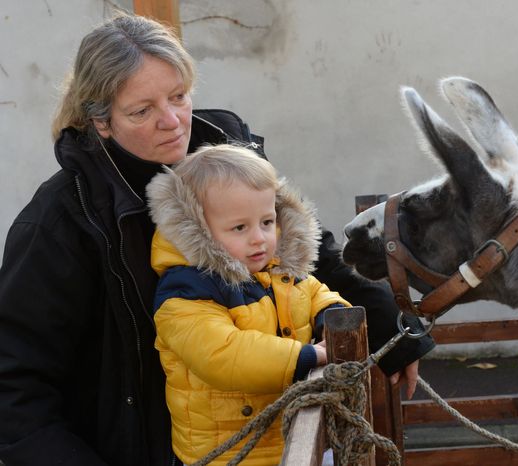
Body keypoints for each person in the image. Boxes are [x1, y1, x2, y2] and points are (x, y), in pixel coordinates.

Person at [0, 13, 434, 466]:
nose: (171, 122)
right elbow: (14, 388)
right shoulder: (61, 222)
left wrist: (391, 327)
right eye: (142, 111)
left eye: (179, 96)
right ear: (102, 121)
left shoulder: (228, 154)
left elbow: (305, 254)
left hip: (270, 437)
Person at [147, 144, 349, 464]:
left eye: (267, 222)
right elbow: (224, 354)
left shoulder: (276, 269)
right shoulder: (186, 292)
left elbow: (311, 291)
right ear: (197, 230)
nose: (259, 238)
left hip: (292, 435)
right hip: (230, 454)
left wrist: (331, 313)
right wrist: (308, 355)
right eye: (240, 227)